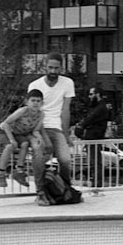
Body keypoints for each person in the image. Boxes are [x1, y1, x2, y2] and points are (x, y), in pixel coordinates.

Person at [27, 52, 76, 205]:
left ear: (61, 68)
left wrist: (66, 135)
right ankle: (40, 192)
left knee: (66, 159)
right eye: (50, 67)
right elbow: (32, 110)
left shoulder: (67, 83)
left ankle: (65, 189)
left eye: (56, 68)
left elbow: (65, 110)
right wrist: (36, 133)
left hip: (56, 128)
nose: (53, 71)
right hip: (39, 128)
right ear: (45, 67)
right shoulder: (35, 85)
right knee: (39, 157)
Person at [0, 89, 45, 188]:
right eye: (33, 100)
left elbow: (35, 130)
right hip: (5, 131)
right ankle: (1, 173)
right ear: (27, 102)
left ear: (42, 103)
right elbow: (5, 124)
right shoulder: (22, 111)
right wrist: (12, 140)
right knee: (10, 146)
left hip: (18, 134)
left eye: (38, 101)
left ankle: (19, 170)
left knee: (25, 144)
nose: (35, 103)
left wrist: (40, 138)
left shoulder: (41, 114)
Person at [75, 87, 111, 187]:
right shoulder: (97, 107)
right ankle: (96, 182)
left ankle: (97, 183)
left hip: (94, 137)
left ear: (97, 94)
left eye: (91, 94)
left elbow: (90, 118)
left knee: (95, 161)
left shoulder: (100, 107)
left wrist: (81, 125)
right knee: (94, 161)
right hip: (92, 137)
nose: (89, 96)